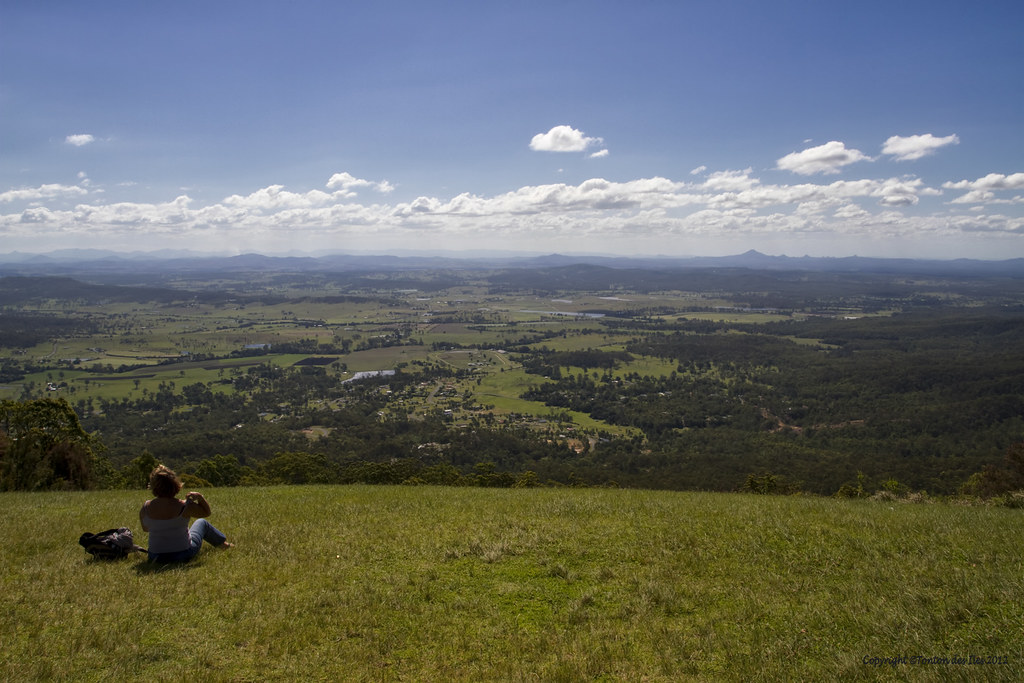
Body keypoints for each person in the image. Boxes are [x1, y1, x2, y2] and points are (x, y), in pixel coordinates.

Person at [140, 464, 233, 563]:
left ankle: (223, 545)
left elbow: (146, 529)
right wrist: (200, 497)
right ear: (174, 484)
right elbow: (206, 512)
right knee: (202, 522)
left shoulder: (145, 508)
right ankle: (224, 545)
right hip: (182, 553)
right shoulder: (185, 506)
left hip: (155, 556)